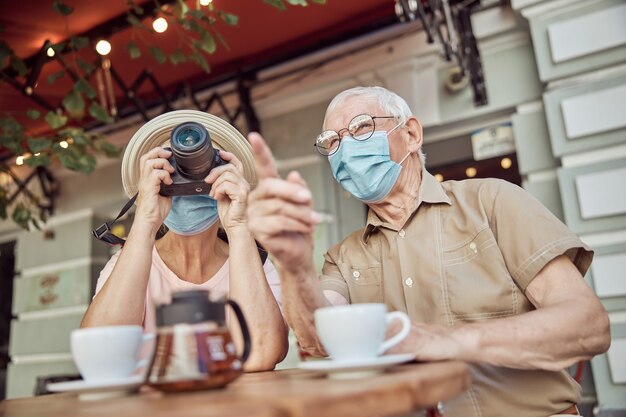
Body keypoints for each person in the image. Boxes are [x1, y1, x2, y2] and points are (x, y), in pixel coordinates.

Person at [245, 86, 611, 415]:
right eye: (333, 141)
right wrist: (293, 265)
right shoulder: (344, 256)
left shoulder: (491, 201)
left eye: (360, 127)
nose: (346, 148)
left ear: (411, 134)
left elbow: (587, 325)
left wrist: (443, 340)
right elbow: (317, 338)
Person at [81, 111, 288, 372]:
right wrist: (145, 220)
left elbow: (259, 355)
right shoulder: (126, 265)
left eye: (205, 166)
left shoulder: (254, 264)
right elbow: (100, 355)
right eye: (174, 165)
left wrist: (239, 226)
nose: (189, 176)